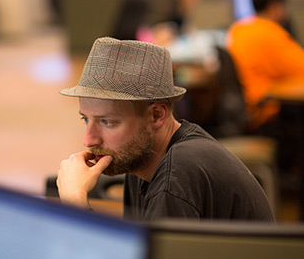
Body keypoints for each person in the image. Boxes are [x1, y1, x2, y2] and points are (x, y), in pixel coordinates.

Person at [56, 37, 275, 222]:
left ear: (156, 115)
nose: (89, 139)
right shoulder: (140, 159)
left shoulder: (177, 175)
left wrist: (74, 201)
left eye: (107, 122)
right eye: (86, 120)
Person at [226, 0, 304, 131]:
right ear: (274, 6)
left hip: (249, 108)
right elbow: (301, 68)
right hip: (267, 111)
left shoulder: (238, 30)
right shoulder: (270, 33)